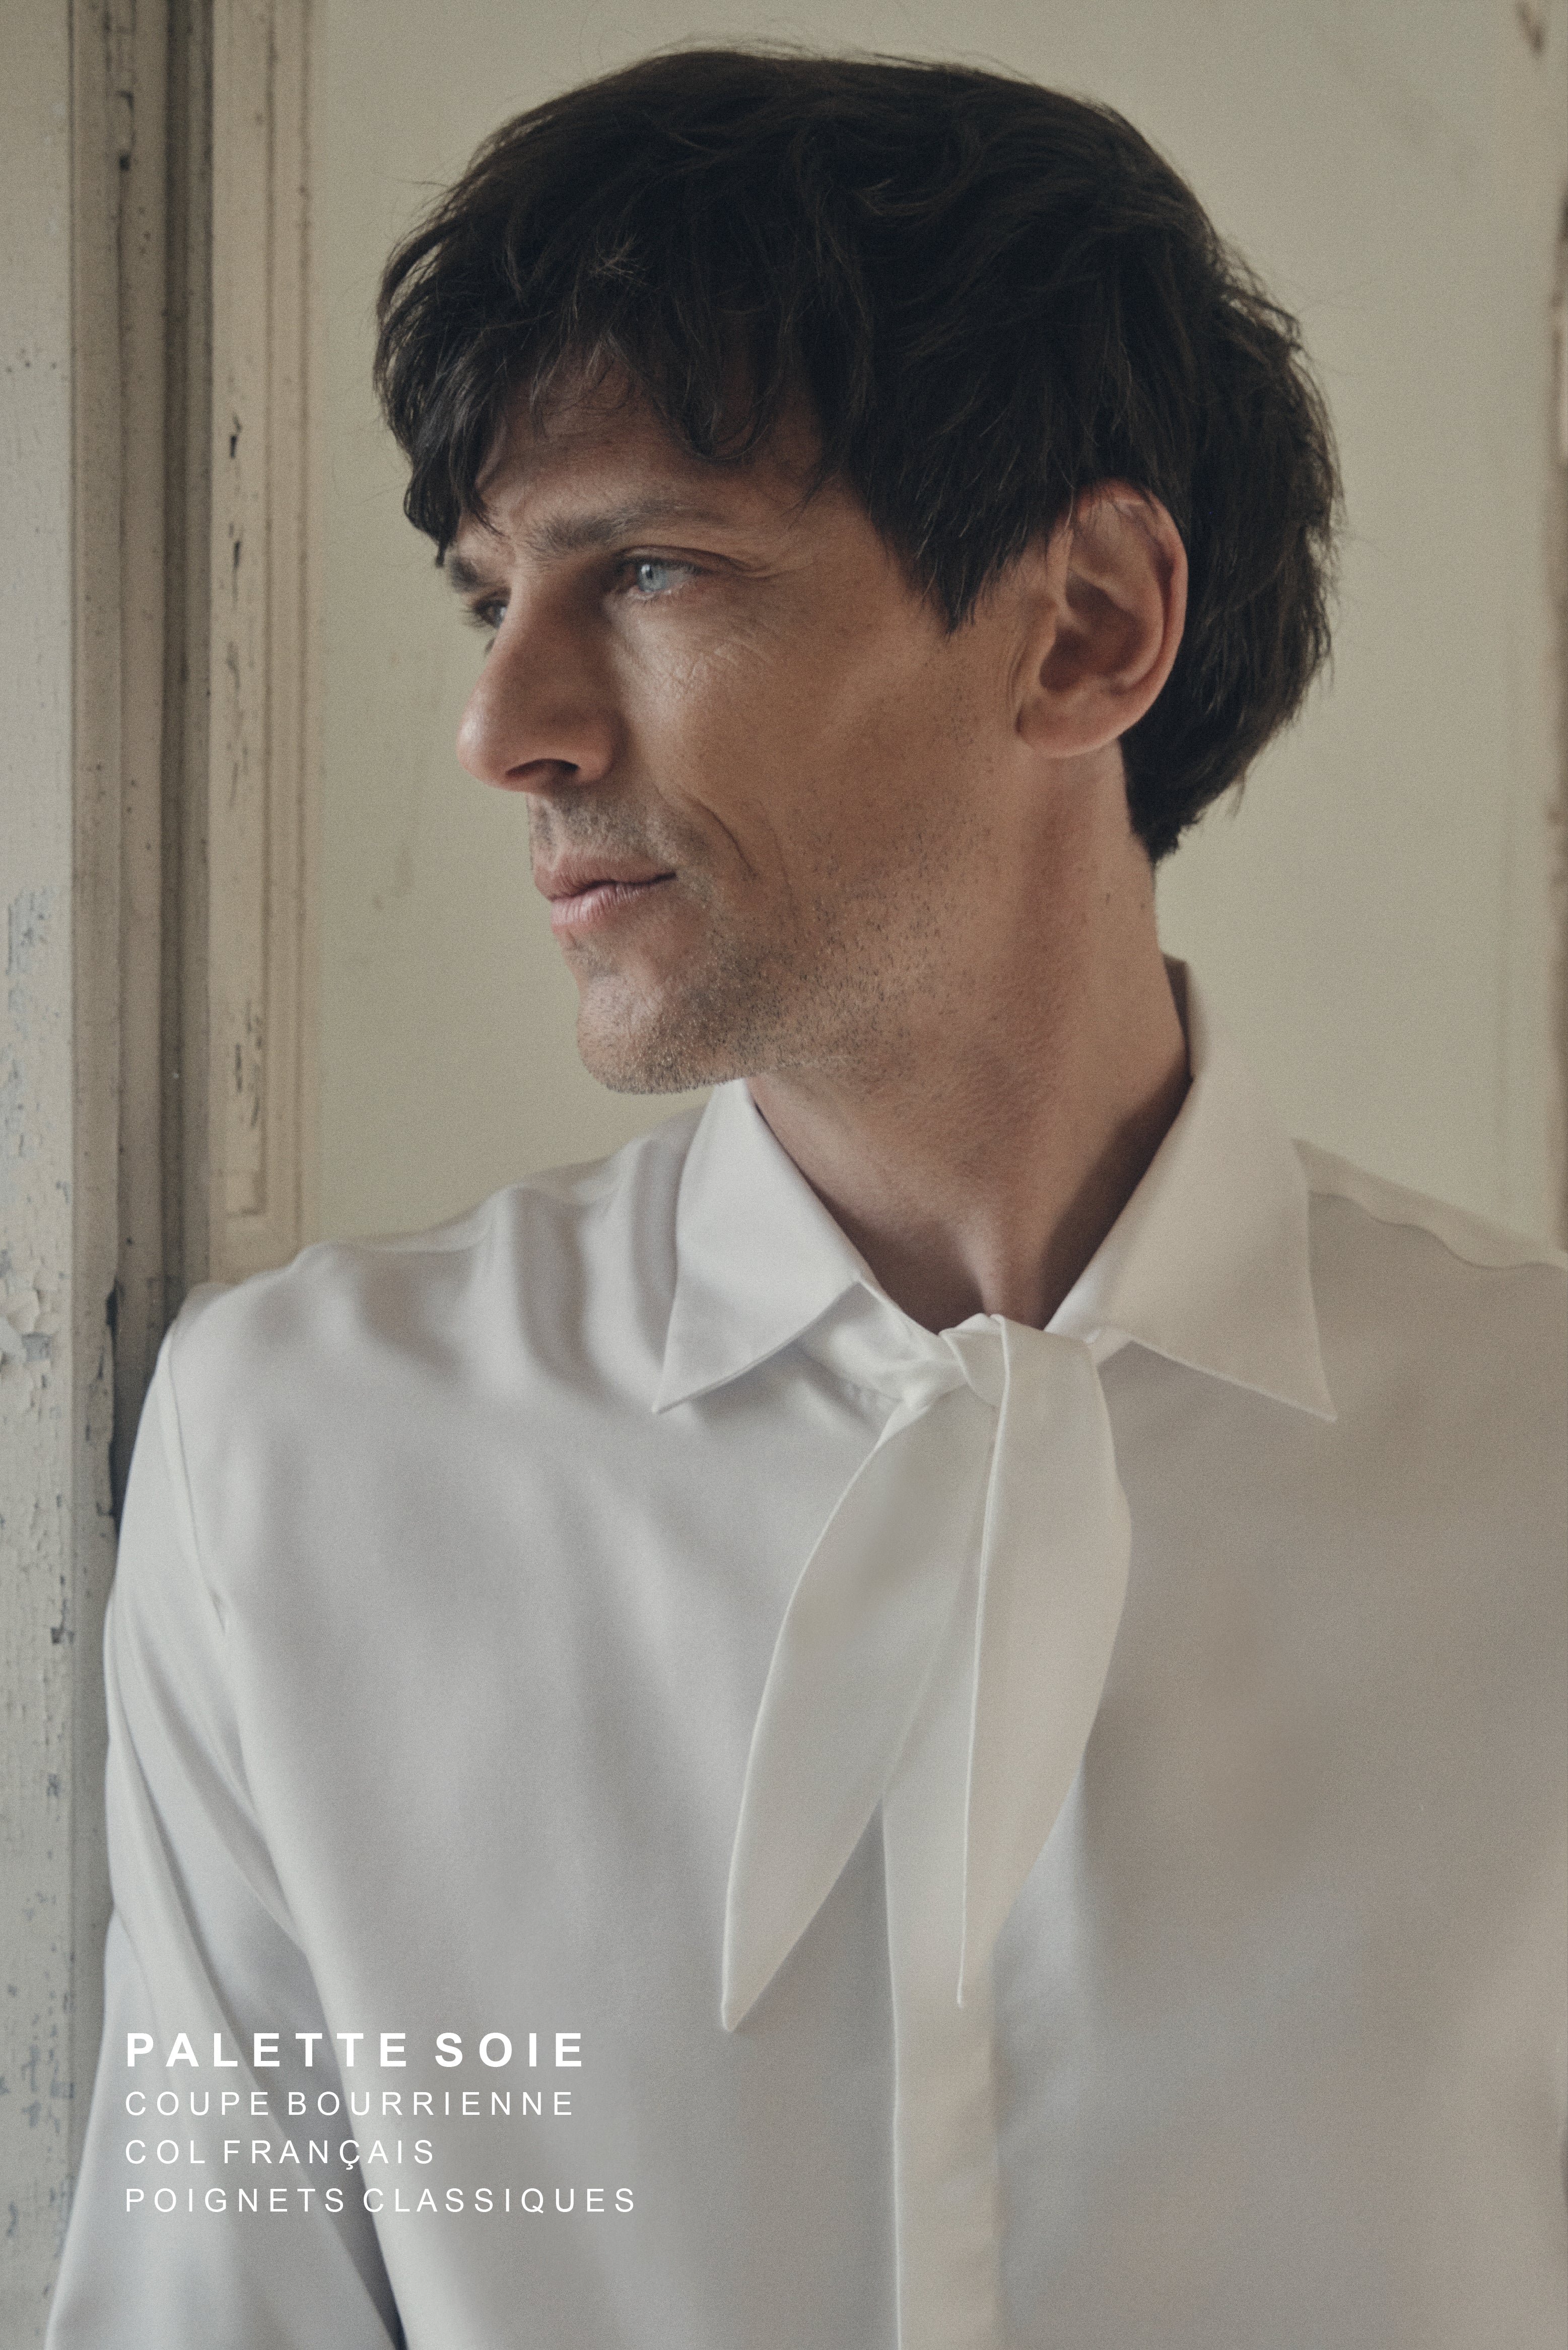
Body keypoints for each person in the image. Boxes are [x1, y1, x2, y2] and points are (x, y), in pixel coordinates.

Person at [47, 47, 1565, 2350]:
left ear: (1082, 628)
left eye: (649, 567)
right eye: (492, 595)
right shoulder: (301, 1466)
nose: (507, 728)